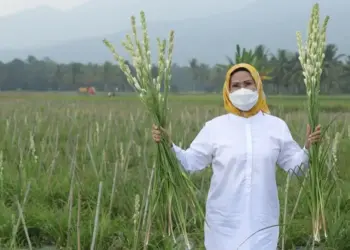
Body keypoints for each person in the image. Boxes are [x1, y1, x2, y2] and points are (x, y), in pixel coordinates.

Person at [151, 63, 321, 250]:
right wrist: (168, 145)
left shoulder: (276, 126)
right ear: (227, 90)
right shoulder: (215, 128)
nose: (242, 90)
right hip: (224, 223)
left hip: (262, 221)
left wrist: (307, 148)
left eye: (248, 84)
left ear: (258, 86)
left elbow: (295, 167)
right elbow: (190, 162)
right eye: (236, 85)